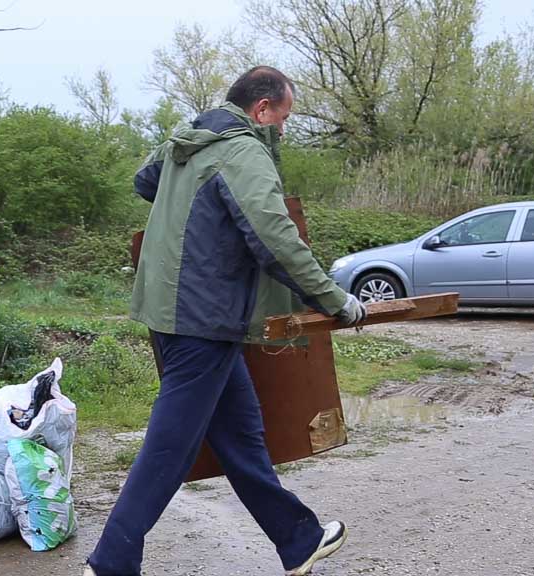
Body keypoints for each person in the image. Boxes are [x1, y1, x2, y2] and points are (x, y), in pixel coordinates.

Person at [84, 67, 367, 576]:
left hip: (179, 312)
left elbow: (145, 180)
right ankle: (110, 564)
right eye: (283, 118)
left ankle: (298, 540)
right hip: (202, 318)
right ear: (262, 109)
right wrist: (335, 300)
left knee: (241, 436)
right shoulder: (242, 151)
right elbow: (276, 239)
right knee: (170, 448)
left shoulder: (191, 140)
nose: (283, 130)